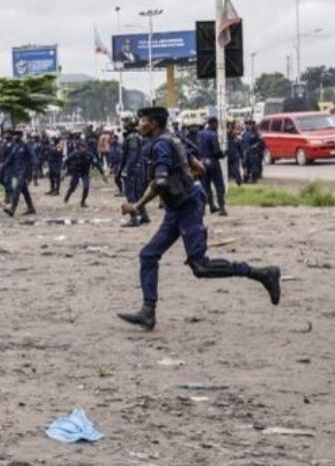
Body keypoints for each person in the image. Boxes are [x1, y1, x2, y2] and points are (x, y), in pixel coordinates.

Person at [118, 107, 281, 330]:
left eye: (142, 120)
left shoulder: (160, 146)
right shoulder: (173, 139)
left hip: (187, 206)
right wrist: (184, 181)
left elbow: (161, 182)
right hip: (180, 205)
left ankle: (263, 274)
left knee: (200, 266)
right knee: (148, 255)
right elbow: (199, 168)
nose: (139, 125)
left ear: (153, 123)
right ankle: (148, 312)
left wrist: (137, 205)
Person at [118, 119, 151, 227]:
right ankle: (144, 216)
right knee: (138, 193)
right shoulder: (136, 137)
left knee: (131, 193)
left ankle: (134, 218)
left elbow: (132, 156)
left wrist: (126, 170)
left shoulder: (132, 138)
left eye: (126, 123)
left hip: (133, 170)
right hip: (138, 168)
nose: (124, 125)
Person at [0, 129, 36, 216]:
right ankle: (31, 208)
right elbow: (9, 159)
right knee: (25, 191)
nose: (14, 137)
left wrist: (34, 172)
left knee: (17, 189)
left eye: (16, 135)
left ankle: (12, 208)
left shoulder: (26, 146)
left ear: (20, 136)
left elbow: (33, 158)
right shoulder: (15, 146)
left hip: (24, 172)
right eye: (14, 135)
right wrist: (1, 167)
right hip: (16, 172)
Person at [197, 117, 228, 216]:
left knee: (205, 185)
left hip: (202, 161)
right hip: (212, 161)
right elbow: (216, 151)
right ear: (214, 124)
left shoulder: (200, 134)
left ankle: (208, 206)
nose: (217, 127)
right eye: (217, 124)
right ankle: (222, 207)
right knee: (219, 185)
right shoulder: (213, 135)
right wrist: (223, 154)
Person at [63, 139, 104, 207]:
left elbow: (97, 164)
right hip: (76, 171)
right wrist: (63, 169)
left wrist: (102, 174)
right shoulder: (75, 153)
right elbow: (66, 161)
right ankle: (66, 198)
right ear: (79, 147)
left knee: (86, 187)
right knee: (72, 187)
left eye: (84, 147)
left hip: (85, 172)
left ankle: (82, 202)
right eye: (81, 147)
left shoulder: (90, 155)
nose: (83, 149)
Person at [226, 121, 243, 186]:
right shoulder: (226, 138)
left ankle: (239, 183)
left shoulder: (237, 139)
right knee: (227, 171)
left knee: (236, 169)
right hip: (228, 156)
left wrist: (241, 156)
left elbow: (240, 149)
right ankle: (226, 183)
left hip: (235, 156)